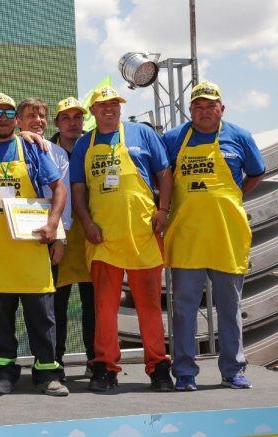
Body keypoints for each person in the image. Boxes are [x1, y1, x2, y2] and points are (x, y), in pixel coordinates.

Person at [70, 86, 174, 392]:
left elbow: (165, 175)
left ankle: (158, 368)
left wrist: (164, 210)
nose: (109, 109)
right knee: (104, 309)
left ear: (120, 106)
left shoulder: (142, 134)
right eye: (102, 105)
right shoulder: (83, 145)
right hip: (103, 240)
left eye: (114, 103)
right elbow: (78, 190)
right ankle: (104, 368)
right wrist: (86, 222)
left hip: (143, 235)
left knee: (150, 308)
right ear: (93, 111)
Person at [163, 81, 265, 391]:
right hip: (187, 236)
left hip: (226, 235)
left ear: (222, 108)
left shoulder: (240, 136)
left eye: (211, 106)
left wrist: (232, 196)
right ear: (190, 110)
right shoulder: (173, 138)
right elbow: (162, 177)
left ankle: (233, 370)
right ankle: (184, 372)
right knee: (183, 308)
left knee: (229, 307)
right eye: (198, 106)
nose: (205, 111)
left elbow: (257, 172)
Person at [0, 93, 68, 396]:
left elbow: (58, 189)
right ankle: (3, 374)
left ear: (15, 119)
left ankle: (47, 374)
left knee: (42, 319)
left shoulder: (32, 147)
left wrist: (52, 224)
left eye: (9, 113)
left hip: (31, 249)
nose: (2, 118)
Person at [49, 97, 96, 377]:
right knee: (57, 306)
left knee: (94, 306)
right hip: (59, 237)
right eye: (65, 118)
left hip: (91, 235)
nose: (72, 122)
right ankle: (55, 363)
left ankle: (95, 360)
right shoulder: (44, 151)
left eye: (77, 117)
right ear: (56, 123)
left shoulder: (94, 147)